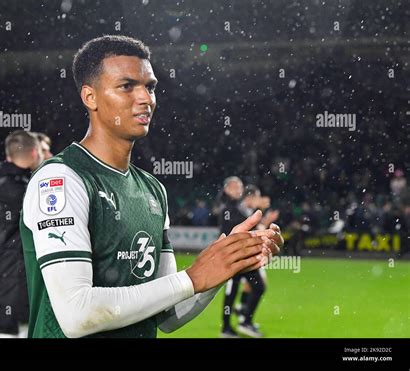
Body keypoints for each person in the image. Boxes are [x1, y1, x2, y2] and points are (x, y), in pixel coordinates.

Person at [20, 35, 284, 338]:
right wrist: (194, 276)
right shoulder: (61, 180)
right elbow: (77, 314)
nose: (146, 98)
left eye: (150, 86)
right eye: (126, 86)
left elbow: (167, 316)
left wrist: (225, 266)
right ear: (90, 97)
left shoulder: (152, 190)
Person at [0, 130, 43, 338]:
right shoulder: (21, 189)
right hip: (14, 296)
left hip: (1, 293)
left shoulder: (1, 183)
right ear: (34, 153)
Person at [235, 185, 280, 337]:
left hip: (246, 254)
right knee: (259, 286)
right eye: (257, 197)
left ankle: (241, 313)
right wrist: (267, 220)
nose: (259, 200)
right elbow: (253, 232)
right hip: (245, 256)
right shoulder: (242, 211)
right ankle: (244, 320)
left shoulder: (244, 210)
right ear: (249, 197)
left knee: (251, 286)